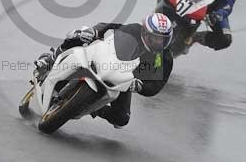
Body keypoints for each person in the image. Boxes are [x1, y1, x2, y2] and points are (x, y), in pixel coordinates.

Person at [33, 13, 175, 128]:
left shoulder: (165, 58)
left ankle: (91, 108)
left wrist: (140, 86)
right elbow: (110, 27)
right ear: (145, 31)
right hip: (106, 61)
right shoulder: (134, 30)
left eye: (162, 39)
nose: (158, 42)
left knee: (122, 119)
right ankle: (50, 60)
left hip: (125, 81)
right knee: (80, 35)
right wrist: (95, 31)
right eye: (156, 37)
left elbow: (157, 84)